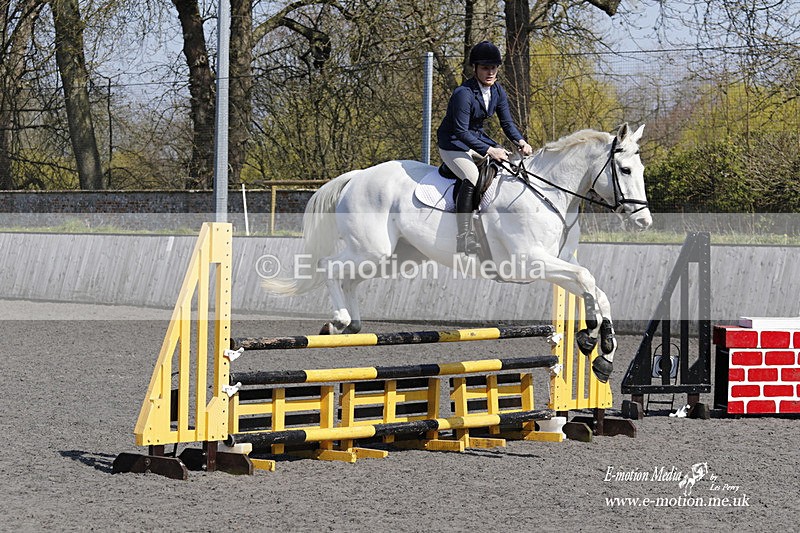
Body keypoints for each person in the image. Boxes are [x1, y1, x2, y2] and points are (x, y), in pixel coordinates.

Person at [437, 40, 533, 255]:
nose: (490, 72)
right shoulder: (463, 93)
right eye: (485, 68)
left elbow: (507, 123)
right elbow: (461, 132)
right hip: (453, 142)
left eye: (493, 68)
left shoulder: (498, 91)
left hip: (476, 139)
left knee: (506, 164)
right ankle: (464, 236)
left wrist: (521, 141)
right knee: (471, 176)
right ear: (475, 69)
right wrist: (490, 150)